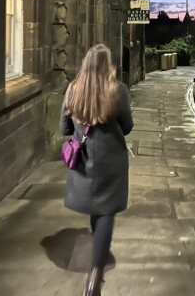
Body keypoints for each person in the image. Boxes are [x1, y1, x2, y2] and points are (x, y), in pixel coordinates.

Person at [60, 43, 133, 296]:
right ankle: (95, 275)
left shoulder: (73, 90)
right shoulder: (118, 91)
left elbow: (65, 129)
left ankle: (96, 262)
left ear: (86, 64)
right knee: (106, 211)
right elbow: (127, 126)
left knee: (96, 207)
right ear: (108, 65)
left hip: (86, 160)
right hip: (111, 162)